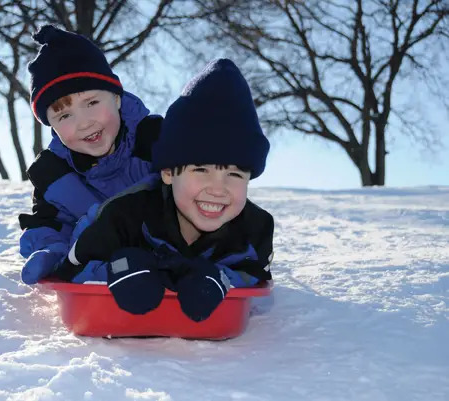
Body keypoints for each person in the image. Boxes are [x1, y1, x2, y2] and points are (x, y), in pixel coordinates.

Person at [55, 58, 274, 322]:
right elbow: (70, 269)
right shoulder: (125, 215)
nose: (218, 189)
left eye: (235, 174)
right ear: (168, 173)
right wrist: (118, 269)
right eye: (201, 170)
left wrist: (222, 279)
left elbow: (256, 276)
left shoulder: (255, 228)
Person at [18, 25, 162, 285]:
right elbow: (49, 225)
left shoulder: (155, 140)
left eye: (92, 103)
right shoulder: (52, 173)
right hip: (100, 276)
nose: (84, 123)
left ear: (117, 98)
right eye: (64, 115)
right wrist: (52, 251)